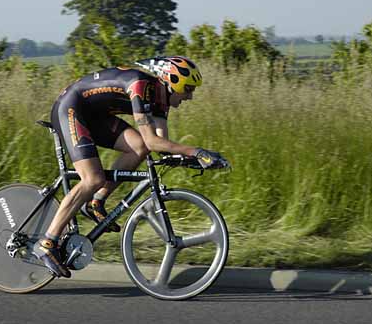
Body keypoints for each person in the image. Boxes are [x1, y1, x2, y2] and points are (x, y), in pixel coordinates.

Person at [33, 56, 227, 277]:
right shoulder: (140, 86)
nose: (190, 96)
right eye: (188, 89)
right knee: (92, 179)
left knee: (139, 147)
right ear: (172, 81)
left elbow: (159, 145)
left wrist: (193, 159)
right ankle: (48, 242)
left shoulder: (161, 100)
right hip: (71, 109)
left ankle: (96, 202)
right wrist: (196, 151)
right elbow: (154, 141)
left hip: (95, 116)